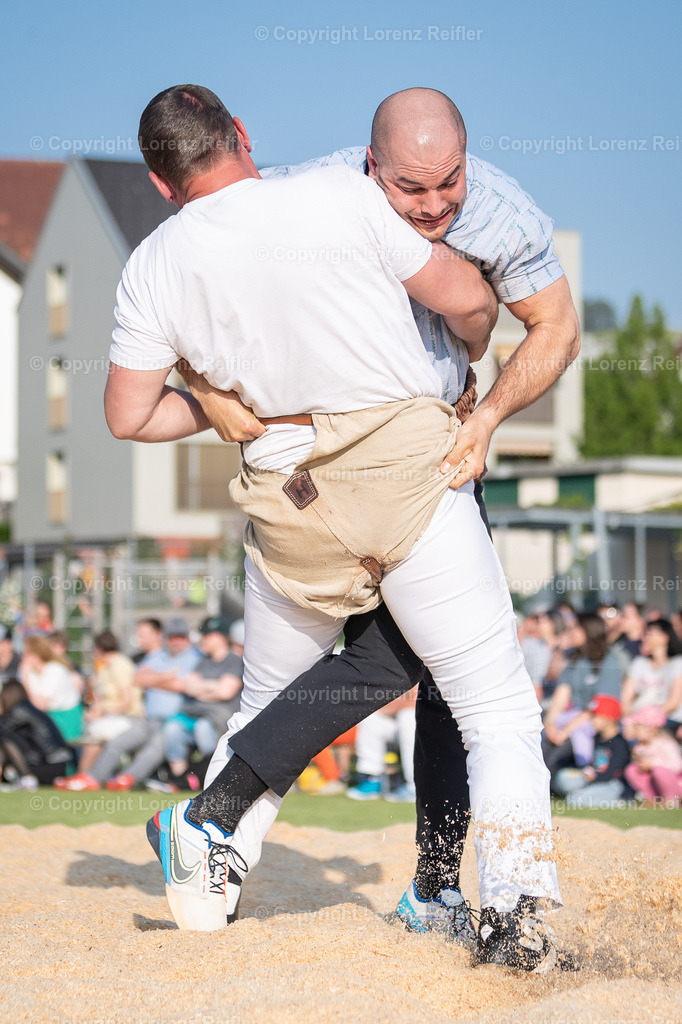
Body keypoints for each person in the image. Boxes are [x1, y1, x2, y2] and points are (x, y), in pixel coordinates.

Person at [105, 84, 579, 973]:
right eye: (410, 187)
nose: (432, 204)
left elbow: (129, 413)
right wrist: (474, 347)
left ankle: (208, 869)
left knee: (275, 696)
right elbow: (468, 304)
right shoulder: (335, 195)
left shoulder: (156, 261)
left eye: (447, 183)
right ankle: (512, 915)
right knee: (490, 701)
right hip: (403, 467)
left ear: (163, 184)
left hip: (284, 483)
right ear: (244, 135)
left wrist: (211, 399)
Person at [542, 613, 624, 788]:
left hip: (590, 726)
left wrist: (565, 732)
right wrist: (549, 725)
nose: (570, 633)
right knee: (543, 748)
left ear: (589, 631)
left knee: (554, 758)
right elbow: (560, 697)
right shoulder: (574, 660)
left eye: (574, 628)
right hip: (569, 722)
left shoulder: (608, 662)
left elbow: (601, 708)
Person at [160, 616, 243, 786]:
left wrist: (201, 688)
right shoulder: (203, 661)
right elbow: (188, 686)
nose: (202, 639)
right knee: (172, 728)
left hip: (218, 719)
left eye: (207, 635)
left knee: (203, 728)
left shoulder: (233, 661)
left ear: (220, 637)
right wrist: (214, 686)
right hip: (194, 714)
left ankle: (208, 778)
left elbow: (225, 692)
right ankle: (180, 781)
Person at [71, 630, 142, 778]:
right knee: (89, 728)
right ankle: (87, 775)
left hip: (129, 717)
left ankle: (83, 775)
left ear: (99, 648)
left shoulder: (120, 664)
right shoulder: (104, 667)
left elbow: (126, 701)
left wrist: (103, 714)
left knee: (95, 731)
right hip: (112, 717)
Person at [553, 694, 633, 808]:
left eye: (595, 717)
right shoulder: (597, 738)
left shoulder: (619, 743)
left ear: (608, 718)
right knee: (563, 778)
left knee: (575, 800)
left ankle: (622, 802)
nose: (592, 720)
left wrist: (590, 781)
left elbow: (613, 774)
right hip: (595, 780)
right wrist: (587, 774)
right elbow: (594, 764)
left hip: (612, 785)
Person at [347, 686, 418, 802]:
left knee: (407, 717)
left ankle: (413, 786)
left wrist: (390, 707)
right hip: (395, 722)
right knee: (371, 717)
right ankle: (373, 779)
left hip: (423, 728)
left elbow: (414, 703)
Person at [0, 679, 74, 789]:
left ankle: (26, 778)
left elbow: (2, 728)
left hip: (50, 765)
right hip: (58, 764)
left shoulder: (19, 710)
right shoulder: (28, 707)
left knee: (5, 738)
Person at [620, 619, 682, 732]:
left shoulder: (678, 664)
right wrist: (630, 719)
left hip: (668, 722)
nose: (644, 638)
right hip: (638, 723)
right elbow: (626, 699)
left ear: (664, 638)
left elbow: (673, 703)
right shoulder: (639, 663)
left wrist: (644, 718)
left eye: (649, 634)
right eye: (644, 634)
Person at [20, 636, 82, 743]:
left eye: (25, 654)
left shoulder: (54, 671)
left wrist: (24, 679)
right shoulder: (33, 673)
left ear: (35, 655)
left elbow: (39, 705)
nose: (22, 658)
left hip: (64, 721)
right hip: (49, 720)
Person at [624, 705, 682, 806]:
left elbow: (677, 766)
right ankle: (651, 798)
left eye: (638, 728)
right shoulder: (640, 747)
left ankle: (672, 799)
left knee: (659, 771)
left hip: (675, 782)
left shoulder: (665, 744)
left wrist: (652, 764)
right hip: (655, 784)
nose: (635, 732)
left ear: (652, 729)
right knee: (632, 770)